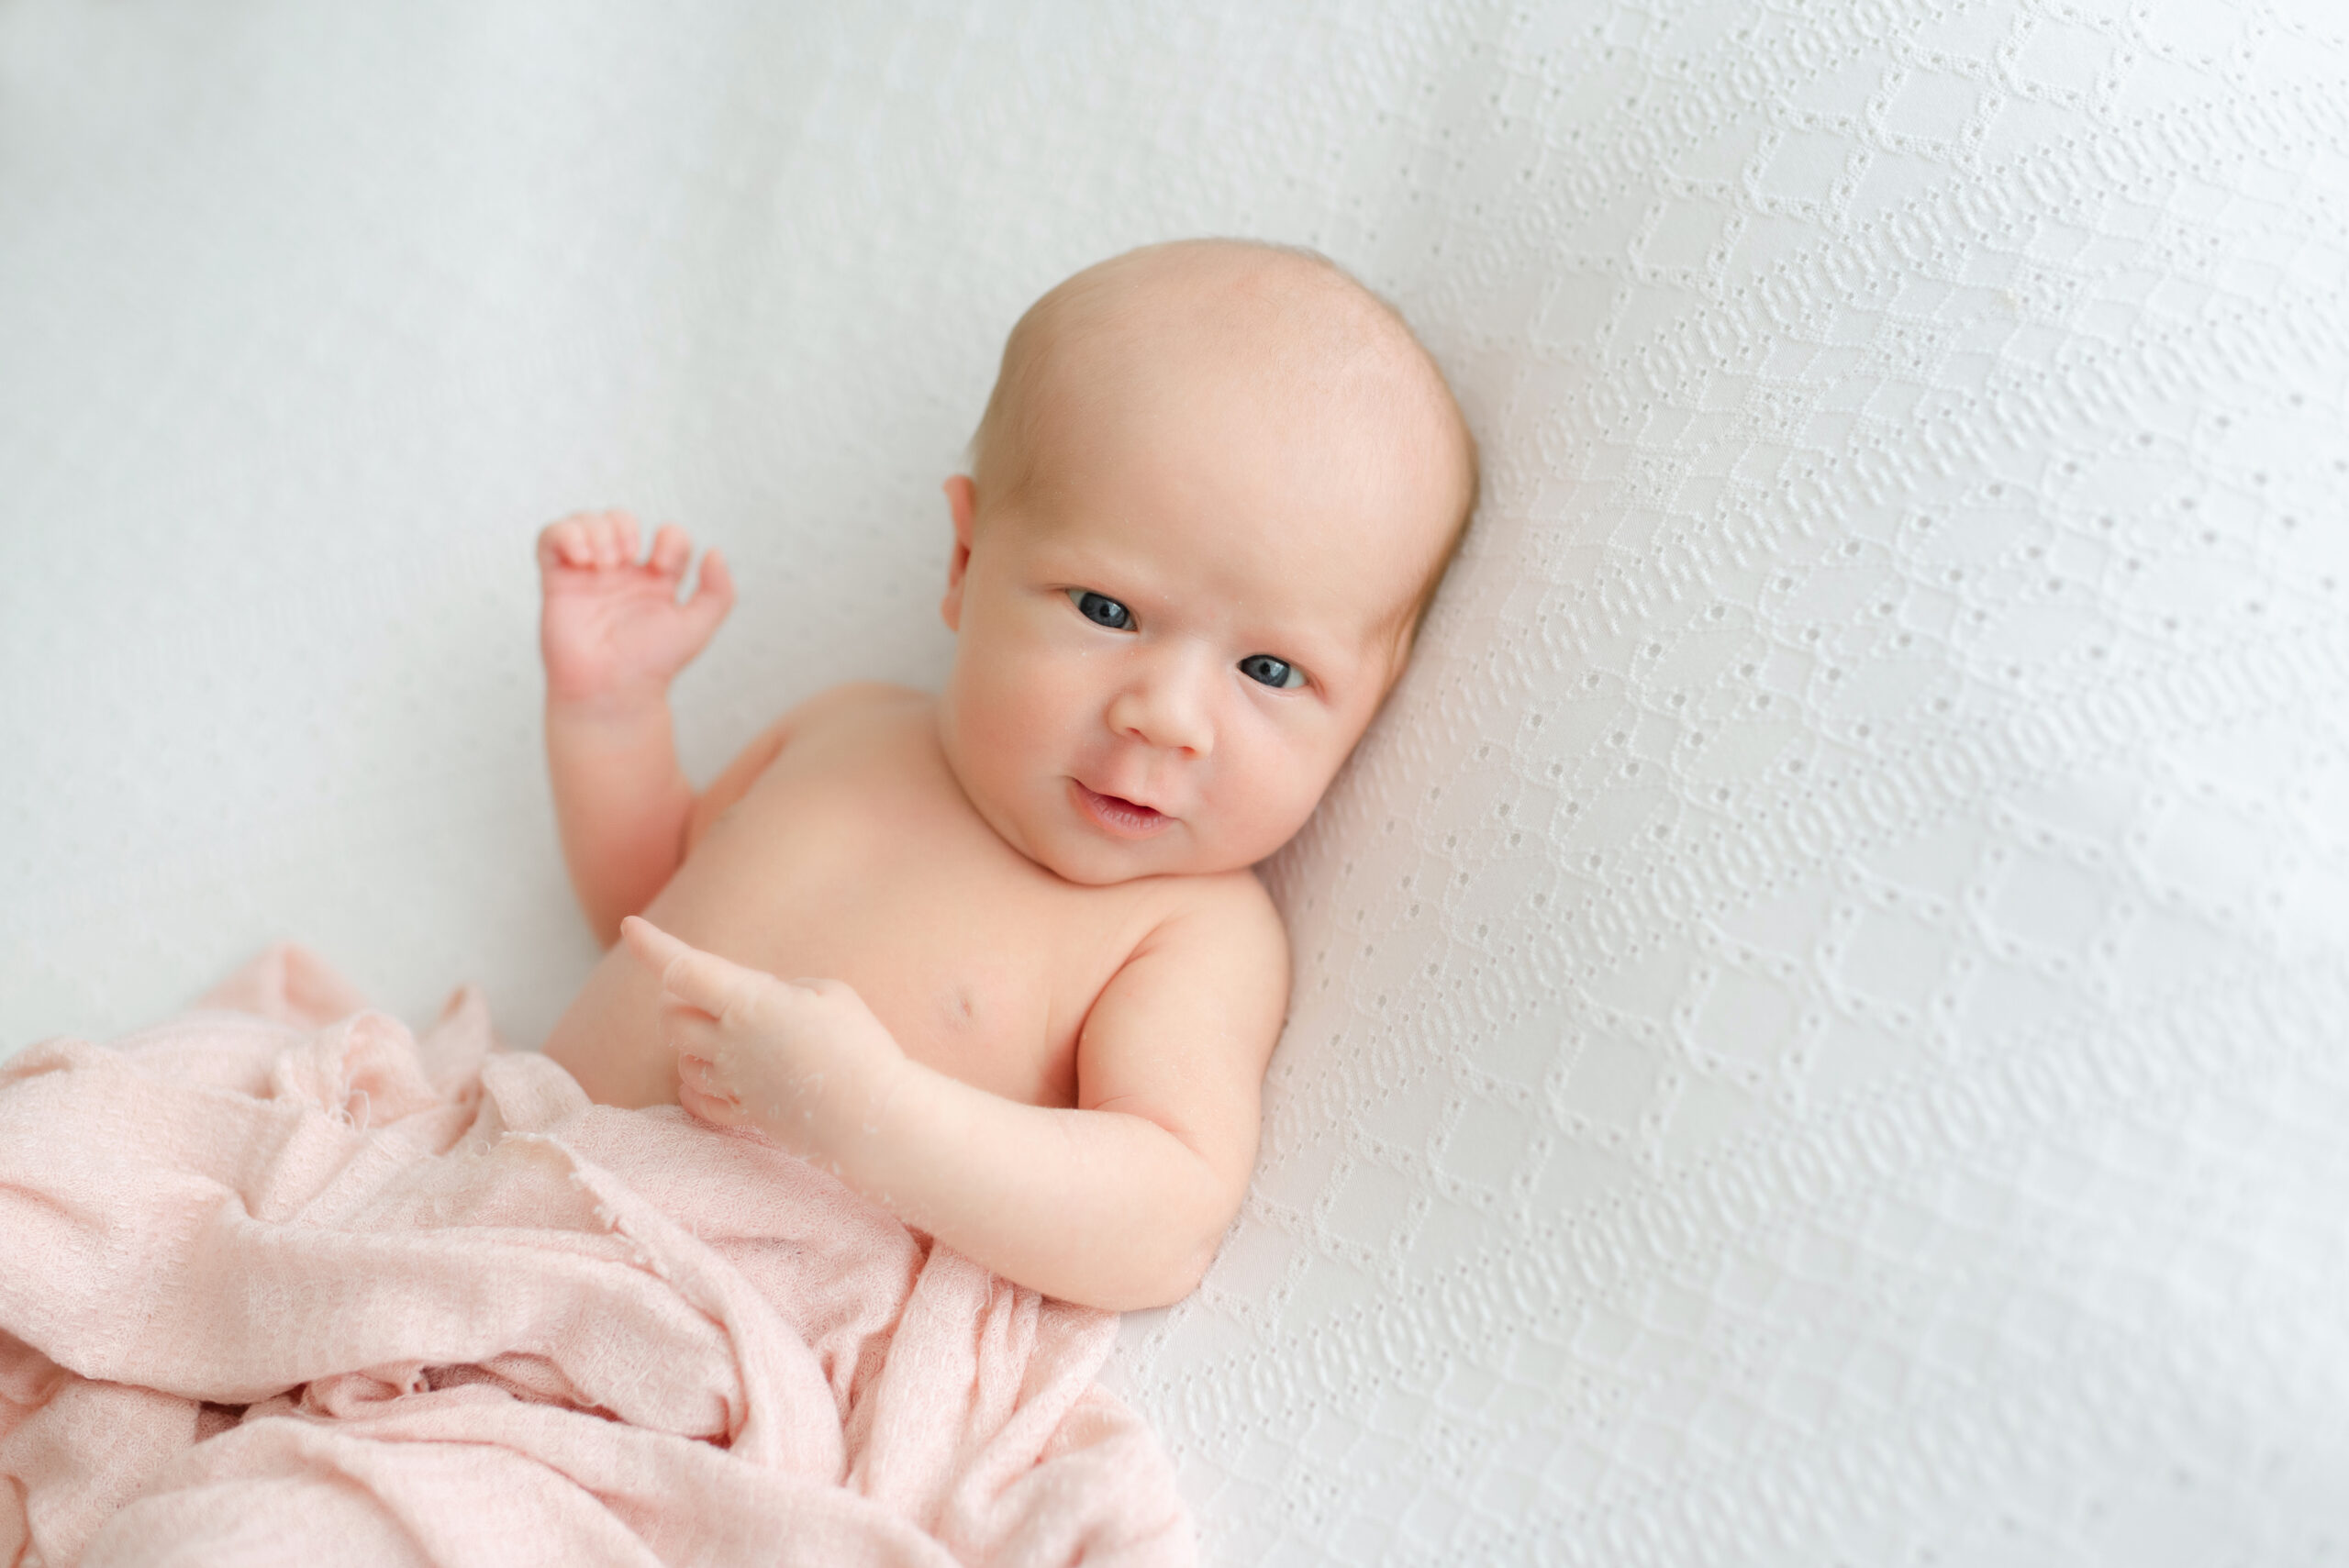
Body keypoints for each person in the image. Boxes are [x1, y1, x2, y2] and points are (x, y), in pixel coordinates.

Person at [535, 239, 1476, 1312]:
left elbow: (1163, 1223)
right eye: (1105, 609)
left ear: (1369, 705)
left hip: (703, 1316)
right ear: (967, 562)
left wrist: (872, 1117)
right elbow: (640, 904)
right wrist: (609, 715)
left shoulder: (1184, 930)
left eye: (1270, 670)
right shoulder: (844, 731)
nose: (1164, 714)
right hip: (507, 1191)